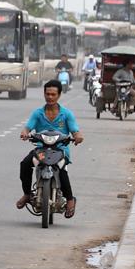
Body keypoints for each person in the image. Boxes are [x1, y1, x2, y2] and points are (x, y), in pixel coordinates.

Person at [17, 79, 84, 218]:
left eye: (53, 94)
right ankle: (27, 194)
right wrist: (25, 133)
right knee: (25, 164)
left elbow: (75, 130)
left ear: (59, 95)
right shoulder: (37, 113)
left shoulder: (66, 114)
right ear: (44, 94)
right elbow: (28, 127)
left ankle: (70, 200)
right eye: (48, 94)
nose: (50, 97)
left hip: (60, 150)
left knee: (61, 169)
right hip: (41, 150)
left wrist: (78, 136)